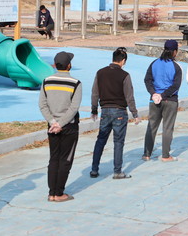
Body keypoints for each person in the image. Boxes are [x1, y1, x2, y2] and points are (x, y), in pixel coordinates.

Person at [39, 52, 82, 202]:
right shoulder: (75, 83)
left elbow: (42, 105)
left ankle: (51, 193)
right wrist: (61, 124)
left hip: (52, 127)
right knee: (65, 160)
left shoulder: (46, 81)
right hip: (68, 126)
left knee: (54, 159)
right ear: (69, 65)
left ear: (55, 65)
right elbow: (74, 108)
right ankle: (59, 193)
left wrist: (53, 122)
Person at [90, 47, 139, 179]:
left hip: (105, 110)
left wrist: (94, 109)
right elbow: (129, 96)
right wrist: (135, 114)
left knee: (101, 140)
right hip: (119, 111)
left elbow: (95, 93)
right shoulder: (125, 75)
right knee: (118, 142)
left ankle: (94, 169)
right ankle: (117, 171)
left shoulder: (100, 73)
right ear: (123, 61)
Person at [143, 40, 182, 162]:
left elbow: (147, 80)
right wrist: (164, 95)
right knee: (167, 128)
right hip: (170, 100)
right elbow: (175, 85)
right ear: (175, 52)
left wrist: (154, 93)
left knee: (152, 126)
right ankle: (165, 155)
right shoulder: (176, 67)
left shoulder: (154, 63)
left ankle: (147, 154)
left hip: (154, 100)